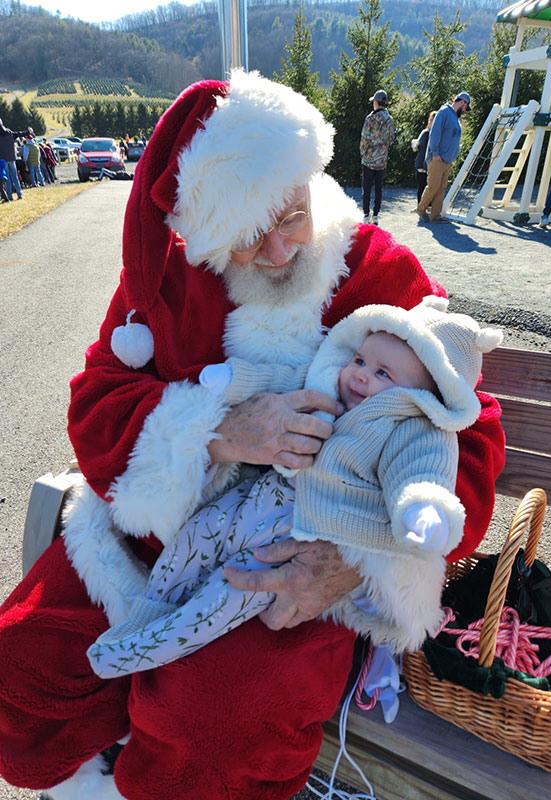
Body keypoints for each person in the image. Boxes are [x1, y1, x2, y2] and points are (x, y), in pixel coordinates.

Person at [0, 70, 504, 800]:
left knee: (215, 721)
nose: (275, 251)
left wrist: (353, 563)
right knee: (20, 675)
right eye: (244, 237)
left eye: (290, 217)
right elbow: (100, 399)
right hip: (153, 539)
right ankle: (102, 766)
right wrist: (215, 431)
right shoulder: (168, 276)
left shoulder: (381, 271)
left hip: (301, 557)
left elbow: (471, 428)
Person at [87, 298, 503, 679]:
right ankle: (146, 614)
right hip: (259, 497)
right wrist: (234, 380)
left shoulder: (413, 429)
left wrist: (423, 511)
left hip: (303, 532)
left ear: (420, 394)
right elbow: (283, 379)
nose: (359, 374)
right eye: (359, 359)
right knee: (195, 537)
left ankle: (146, 650)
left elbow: (421, 476)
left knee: (236, 585)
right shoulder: (334, 388)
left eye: (382, 373)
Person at [415, 91, 471, 223]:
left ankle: (436, 215)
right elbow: (435, 133)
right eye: (465, 107)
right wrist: (435, 153)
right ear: (462, 102)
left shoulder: (454, 117)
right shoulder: (444, 112)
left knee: (441, 188)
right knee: (433, 186)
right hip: (437, 159)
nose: (464, 110)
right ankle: (421, 209)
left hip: (446, 160)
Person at [360, 89, 396, 225]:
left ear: (376, 102)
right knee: (379, 188)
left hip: (369, 160)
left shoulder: (370, 119)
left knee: (367, 188)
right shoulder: (390, 120)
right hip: (382, 160)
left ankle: (365, 214)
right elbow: (391, 139)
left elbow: (364, 138)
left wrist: (363, 154)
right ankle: (375, 215)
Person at [0, 118, 31, 199]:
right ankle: (19, 194)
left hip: (3, 159)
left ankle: (9, 196)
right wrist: (28, 131)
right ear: (2, 124)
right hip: (12, 158)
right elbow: (20, 133)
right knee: (15, 176)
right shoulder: (10, 133)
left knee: (7, 178)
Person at [411, 111, 436, 204]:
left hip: (431, 165)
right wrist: (414, 142)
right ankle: (420, 206)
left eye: (433, 120)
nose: (431, 122)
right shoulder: (425, 132)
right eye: (430, 119)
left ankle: (427, 206)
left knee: (429, 188)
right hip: (421, 164)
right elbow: (416, 146)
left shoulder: (437, 134)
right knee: (421, 187)